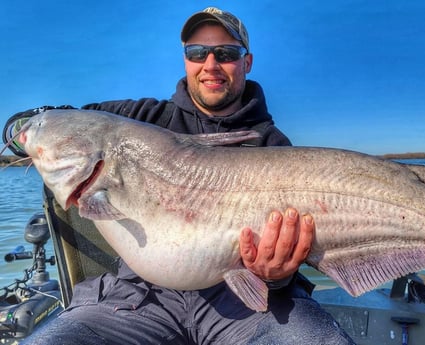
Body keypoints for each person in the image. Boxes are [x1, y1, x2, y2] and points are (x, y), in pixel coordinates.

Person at [4, 7, 355, 345]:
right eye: (198, 52)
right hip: (138, 297)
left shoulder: (274, 145)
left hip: (243, 299)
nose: (211, 64)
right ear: (186, 59)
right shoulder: (140, 116)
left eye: (226, 52)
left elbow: (284, 269)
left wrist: (275, 275)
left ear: (246, 62)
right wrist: (26, 132)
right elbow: (32, 125)